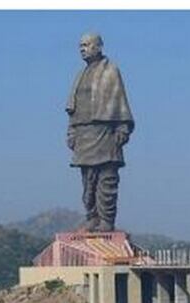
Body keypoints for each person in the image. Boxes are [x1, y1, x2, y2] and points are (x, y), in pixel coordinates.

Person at [65, 32, 134, 232]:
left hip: (105, 133)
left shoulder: (110, 70)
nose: (82, 49)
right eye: (80, 46)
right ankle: (92, 217)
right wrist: (71, 132)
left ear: (99, 46)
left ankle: (106, 220)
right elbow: (73, 108)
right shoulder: (80, 74)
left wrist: (122, 127)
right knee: (88, 182)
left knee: (106, 180)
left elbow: (119, 100)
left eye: (86, 45)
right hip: (83, 133)